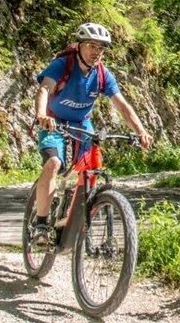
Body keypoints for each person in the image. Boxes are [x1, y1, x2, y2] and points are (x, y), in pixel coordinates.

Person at [31, 22, 152, 245]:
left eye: (101, 48)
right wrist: (41, 115)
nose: (96, 52)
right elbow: (44, 89)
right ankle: (40, 223)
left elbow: (122, 106)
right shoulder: (62, 65)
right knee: (53, 164)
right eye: (91, 46)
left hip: (82, 123)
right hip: (54, 122)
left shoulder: (103, 75)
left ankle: (75, 217)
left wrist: (141, 131)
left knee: (91, 171)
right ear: (79, 45)